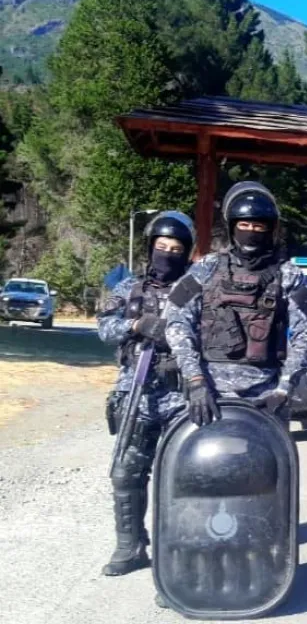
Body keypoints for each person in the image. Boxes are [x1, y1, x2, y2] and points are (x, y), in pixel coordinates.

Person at [163, 181, 307, 426]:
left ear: (270, 229)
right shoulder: (206, 268)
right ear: (232, 227)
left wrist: (284, 388)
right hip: (208, 394)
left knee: (273, 452)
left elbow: (306, 335)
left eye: (258, 226)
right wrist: (194, 380)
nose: (251, 231)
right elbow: (176, 321)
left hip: (266, 395)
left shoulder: (288, 274)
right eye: (244, 225)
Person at [98, 210, 195, 576]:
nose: (167, 254)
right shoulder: (128, 288)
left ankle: (177, 553)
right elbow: (105, 329)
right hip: (136, 393)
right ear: (150, 247)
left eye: (175, 249)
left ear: (186, 252)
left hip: (181, 396)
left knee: (180, 478)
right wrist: (136, 324)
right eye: (161, 247)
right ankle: (130, 546)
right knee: (126, 472)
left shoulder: (195, 289)